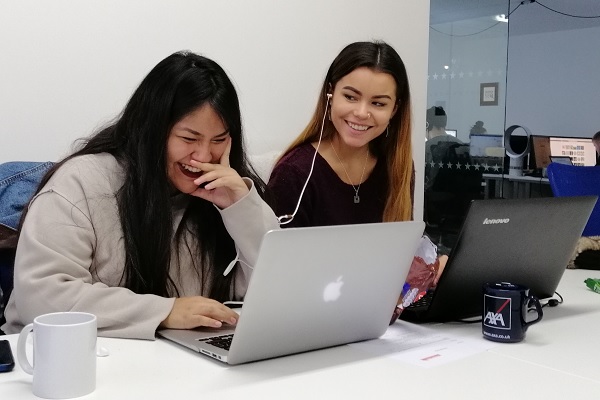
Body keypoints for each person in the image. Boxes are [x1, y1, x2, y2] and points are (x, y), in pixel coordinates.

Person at [1, 51, 279, 339]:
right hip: (63, 358)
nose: (204, 156)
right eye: (188, 139)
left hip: (173, 364)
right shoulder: (82, 181)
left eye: (219, 140)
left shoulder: (222, 194)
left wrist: (241, 208)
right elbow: (43, 296)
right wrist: (165, 311)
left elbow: (276, 290)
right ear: (152, 131)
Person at [267, 41, 446, 293]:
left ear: (394, 109)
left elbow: (394, 268)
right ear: (330, 95)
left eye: (378, 103)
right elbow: (281, 277)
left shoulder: (398, 168)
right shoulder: (295, 172)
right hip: (313, 318)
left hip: (377, 317)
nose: (362, 113)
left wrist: (427, 271)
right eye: (350, 97)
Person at [424, 106, 463, 190]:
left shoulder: (426, 148)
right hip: (461, 199)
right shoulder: (461, 145)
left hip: (433, 198)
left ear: (427, 124)